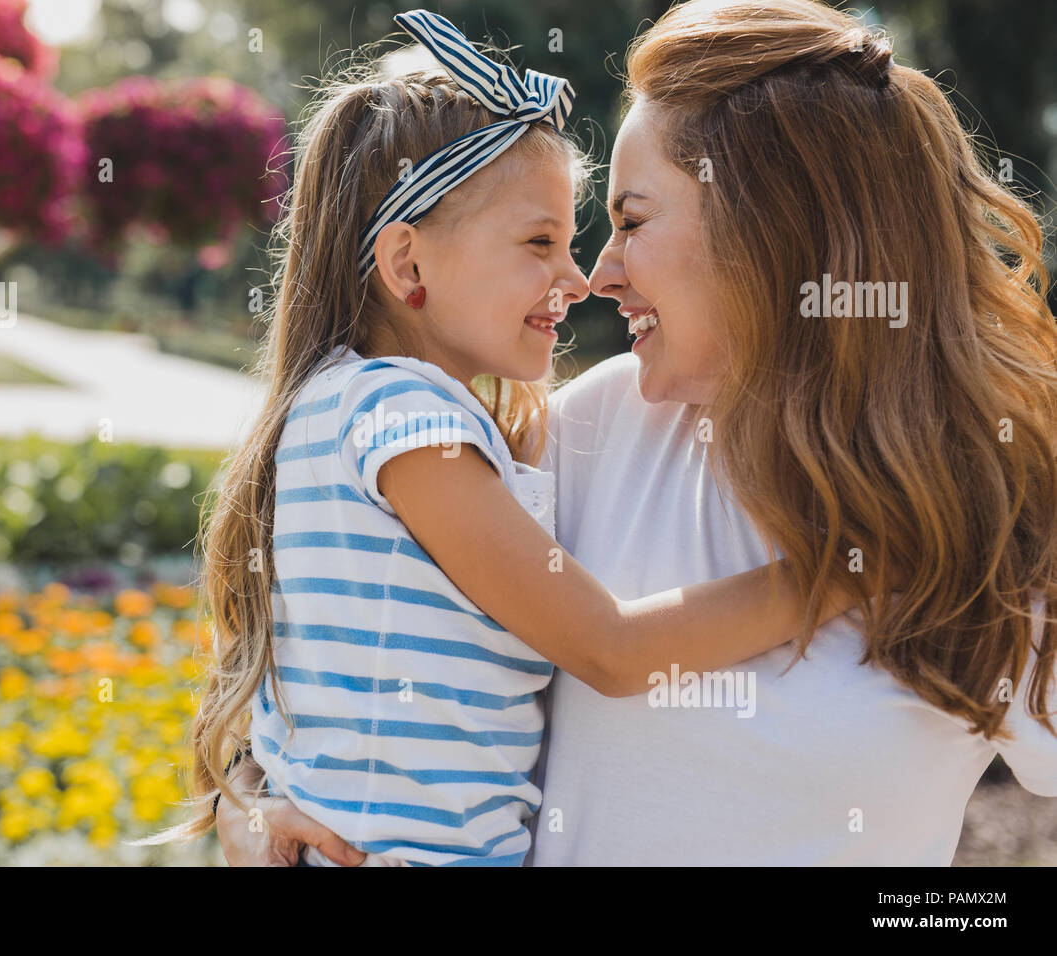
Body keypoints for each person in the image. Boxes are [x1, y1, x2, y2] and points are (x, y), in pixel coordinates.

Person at [213, 0, 1057, 866]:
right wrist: (252, 804)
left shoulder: (990, 517)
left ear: (770, 230)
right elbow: (339, 637)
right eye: (558, 236)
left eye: (632, 221)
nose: (596, 275)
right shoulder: (575, 437)